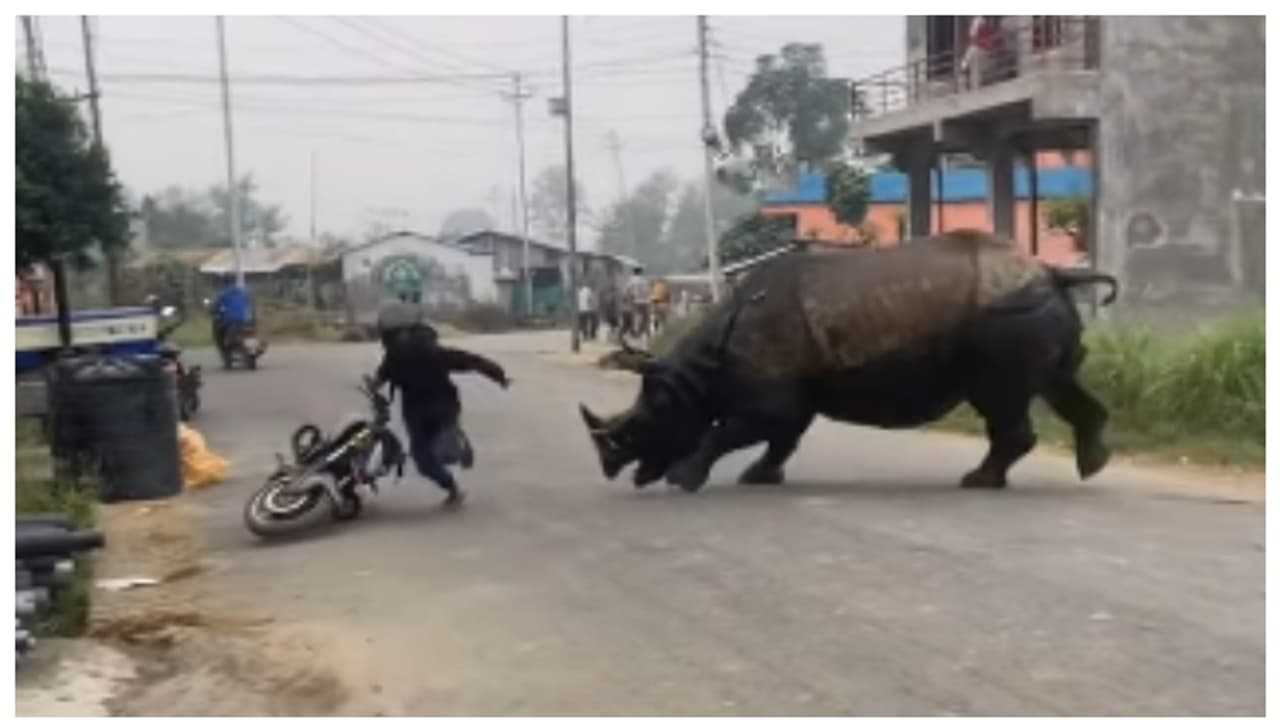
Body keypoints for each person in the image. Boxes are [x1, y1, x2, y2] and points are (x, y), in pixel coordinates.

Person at [371, 316, 510, 507]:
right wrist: (498, 374)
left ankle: (455, 455)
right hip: (420, 411)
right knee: (423, 457)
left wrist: (497, 374)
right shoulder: (397, 357)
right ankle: (451, 483)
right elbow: (471, 360)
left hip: (438, 407)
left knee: (437, 452)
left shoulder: (425, 352)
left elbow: (469, 361)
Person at [211, 276, 253, 360]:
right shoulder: (242, 292)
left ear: (224, 283)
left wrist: (214, 311)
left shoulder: (224, 294)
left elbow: (217, 306)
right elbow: (248, 304)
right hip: (246, 321)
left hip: (231, 321)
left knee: (218, 333)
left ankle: (225, 352)